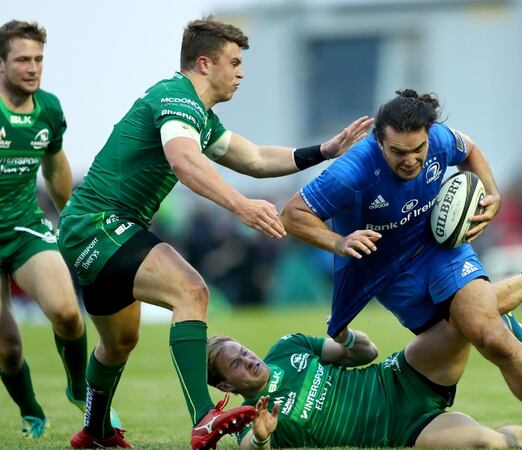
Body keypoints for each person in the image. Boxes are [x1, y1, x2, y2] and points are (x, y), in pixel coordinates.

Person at [57, 18, 373, 450]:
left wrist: (323, 151)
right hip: (100, 224)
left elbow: (256, 158)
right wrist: (240, 206)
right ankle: (203, 415)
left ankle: (94, 433)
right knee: (191, 291)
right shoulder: (176, 99)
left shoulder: (199, 116)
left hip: (98, 230)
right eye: (235, 62)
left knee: (119, 343)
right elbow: (183, 162)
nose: (241, 73)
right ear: (204, 64)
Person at [281, 89, 522, 449]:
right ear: (378, 141)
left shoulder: (440, 140)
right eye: (398, 152)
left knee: (489, 336)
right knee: (455, 329)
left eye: (418, 150)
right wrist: (338, 242)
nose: (411, 160)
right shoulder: (352, 170)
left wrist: (492, 196)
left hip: (440, 248)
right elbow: (292, 215)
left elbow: (471, 150)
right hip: (387, 272)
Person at [206, 251, 522, 449]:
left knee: (463, 318)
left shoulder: (287, 348)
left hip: (399, 377)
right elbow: (247, 447)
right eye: (235, 364)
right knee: (489, 445)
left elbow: (365, 352)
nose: (247, 358)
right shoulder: (249, 418)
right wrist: (260, 439)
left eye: (242, 350)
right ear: (227, 382)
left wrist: (346, 338)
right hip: (402, 432)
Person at [0, 19, 116, 439]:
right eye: (22, 60)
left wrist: (70, 214)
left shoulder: (48, 108)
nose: (32, 68)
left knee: (68, 312)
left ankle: (80, 390)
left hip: (24, 227)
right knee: (8, 348)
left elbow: (55, 164)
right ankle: (30, 411)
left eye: (38, 59)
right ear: (1, 65)